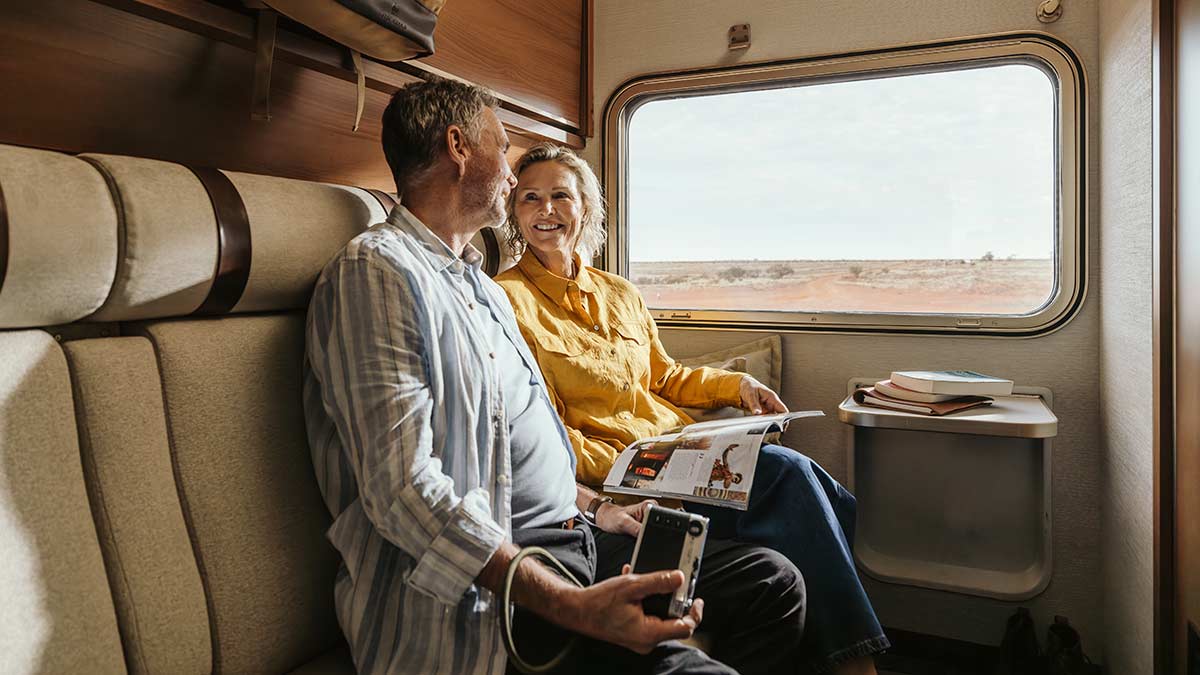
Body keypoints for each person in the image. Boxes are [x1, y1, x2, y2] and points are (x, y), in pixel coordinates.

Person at [303, 78, 807, 675]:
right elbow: (404, 493)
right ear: (460, 146)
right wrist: (571, 605)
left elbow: (517, 444)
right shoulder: (378, 272)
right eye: (503, 145)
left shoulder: (476, 286)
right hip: (508, 586)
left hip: (579, 533)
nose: (515, 179)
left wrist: (594, 508)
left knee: (774, 581)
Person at [495, 143, 889, 675]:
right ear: (515, 214)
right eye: (530, 199)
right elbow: (545, 429)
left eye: (560, 196)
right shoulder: (507, 299)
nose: (545, 211)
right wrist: (616, 471)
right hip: (623, 475)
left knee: (808, 482)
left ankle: (845, 652)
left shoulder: (621, 293)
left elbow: (664, 376)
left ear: (584, 207)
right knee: (791, 475)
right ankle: (856, 665)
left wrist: (738, 387)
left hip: (678, 452)